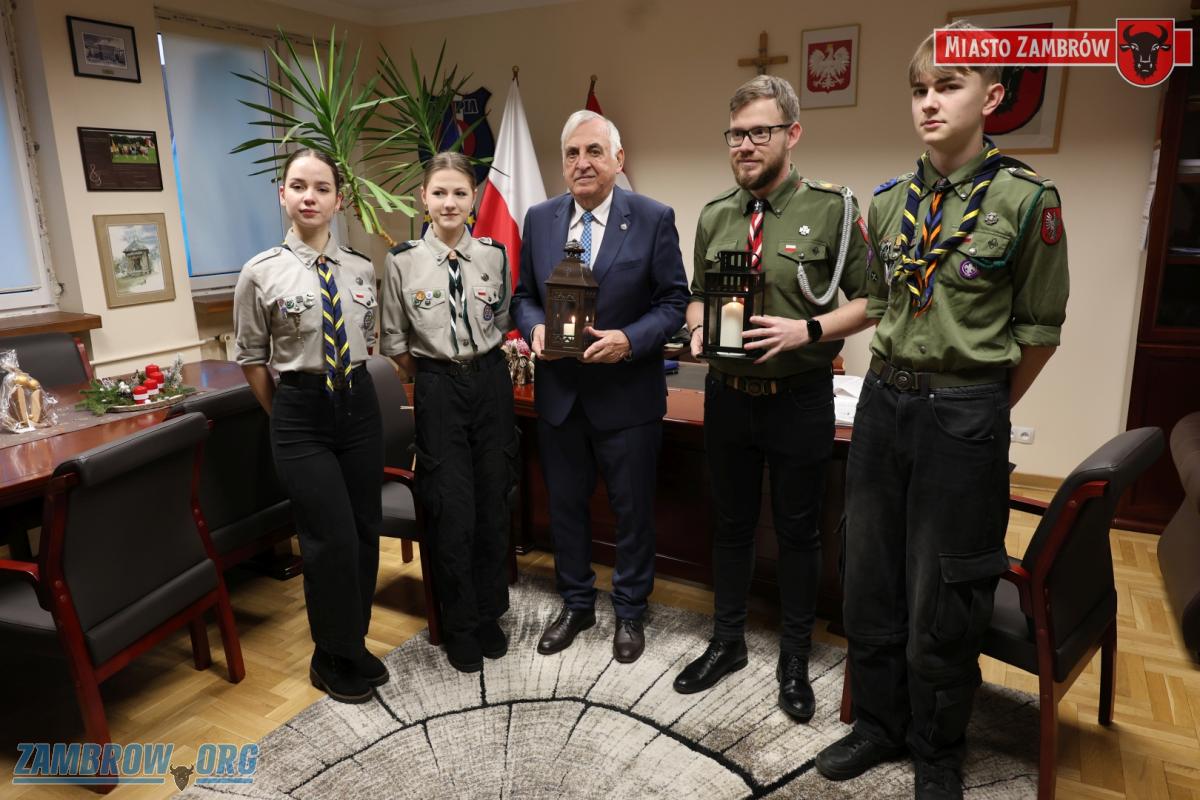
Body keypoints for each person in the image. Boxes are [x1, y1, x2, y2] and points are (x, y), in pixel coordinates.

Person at [815, 22, 1069, 799]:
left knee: (947, 588)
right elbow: (880, 301)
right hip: (882, 403)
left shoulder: (1027, 200)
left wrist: (978, 406)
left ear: (991, 97)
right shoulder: (890, 201)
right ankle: (878, 725)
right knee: (869, 574)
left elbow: (1039, 332)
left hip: (963, 411)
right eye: (920, 89)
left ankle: (937, 748)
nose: (929, 102)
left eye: (948, 86)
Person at [672, 75, 873, 722]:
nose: (745, 145)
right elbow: (698, 295)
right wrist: (698, 327)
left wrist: (806, 331)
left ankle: (794, 657)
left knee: (797, 533)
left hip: (799, 397)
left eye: (760, 131)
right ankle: (726, 642)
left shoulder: (833, 208)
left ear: (792, 133)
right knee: (730, 525)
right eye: (736, 134)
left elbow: (874, 301)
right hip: (728, 396)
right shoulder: (715, 214)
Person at [511, 110, 688, 664]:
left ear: (618, 159)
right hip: (561, 397)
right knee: (565, 508)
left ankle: (630, 609)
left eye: (594, 151)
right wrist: (534, 328)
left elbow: (674, 303)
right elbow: (522, 297)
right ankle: (577, 603)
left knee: (632, 512)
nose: (582, 163)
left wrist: (628, 340)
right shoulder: (539, 218)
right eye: (572, 153)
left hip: (627, 396)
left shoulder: (653, 218)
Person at [233, 148, 385, 704]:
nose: (310, 197)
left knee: (364, 531)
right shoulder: (260, 272)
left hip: (359, 404)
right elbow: (252, 358)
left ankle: (353, 642)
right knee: (329, 538)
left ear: (339, 199)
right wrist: (284, 414)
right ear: (283, 195)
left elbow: (371, 341)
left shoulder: (361, 267)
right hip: (301, 411)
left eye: (322, 188)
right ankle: (329, 655)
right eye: (298, 186)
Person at [380, 152, 515, 673]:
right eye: (439, 192)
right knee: (450, 507)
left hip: (490, 381)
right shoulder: (403, 261)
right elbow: (396, 340)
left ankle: (488, 614)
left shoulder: (493, 256)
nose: (450, 202)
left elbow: (500, 318)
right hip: (437, 385)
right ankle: (458, 624)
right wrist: (437, 375)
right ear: (423, 198)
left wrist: (474, 367)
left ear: (474, 198)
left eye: (460, 192)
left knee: (491, 500)